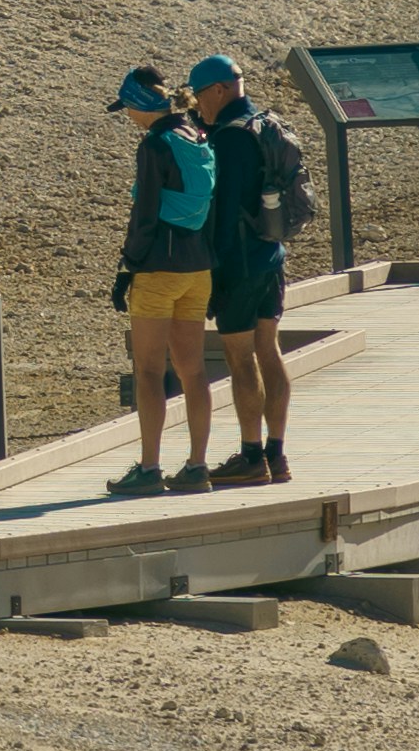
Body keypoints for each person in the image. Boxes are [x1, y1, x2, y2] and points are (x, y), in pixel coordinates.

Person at [184, 52, 312, 484]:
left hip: (238, 262)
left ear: (219, 89)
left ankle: (251, 456)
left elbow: (224, 210)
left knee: (241, 359)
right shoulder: (264, 122)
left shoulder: (230, 138)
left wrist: (213, 273)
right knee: (269, 352)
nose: (198, 103)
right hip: (271, 255)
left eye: (199, 94)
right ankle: (277, 454)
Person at [103, 69, 220, 495]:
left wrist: (126, 267)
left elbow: (146, 213)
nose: (128, 115)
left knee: (149, 371)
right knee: (193, 371)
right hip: (198, 268)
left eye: (128, 107)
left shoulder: (154, 145)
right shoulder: (198, 136)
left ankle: (149, 469)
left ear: (140, 104)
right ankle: (197, 466)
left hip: (158, 269)